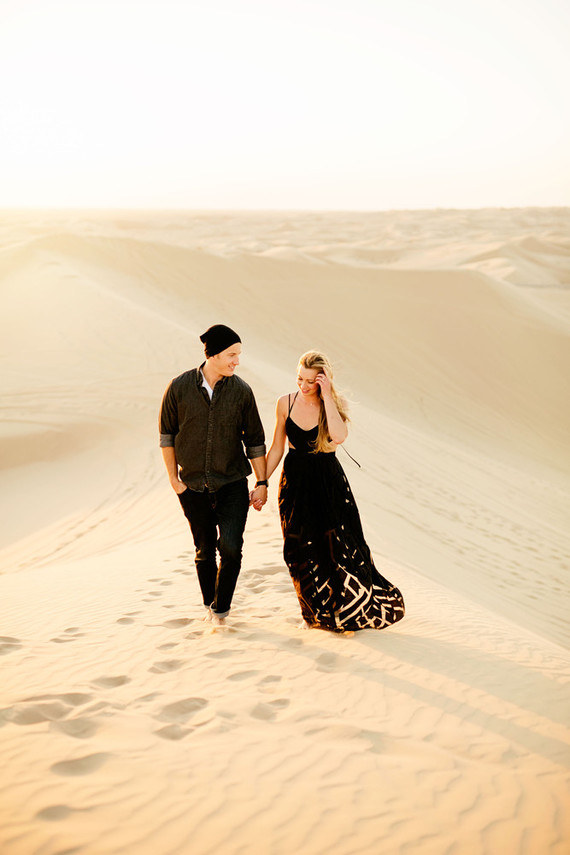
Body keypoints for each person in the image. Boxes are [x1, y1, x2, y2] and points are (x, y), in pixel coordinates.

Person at [264, 350, 405, 633]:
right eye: (299, 379)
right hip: (294, 483)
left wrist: (327, 396)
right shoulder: (284, 403)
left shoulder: (333, 405)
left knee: (335, 549)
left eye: (310, 381)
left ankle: (337, 610)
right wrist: (261, 483)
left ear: (323, 381)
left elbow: (339, 437)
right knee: (296, 549)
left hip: (328, 483)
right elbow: (277, 447)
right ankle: (310, 612)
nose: (302, 386)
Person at [159, 324, 268, 625]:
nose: (237, 361)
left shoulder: (242, 392)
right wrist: (174, 480)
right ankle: (211, 606)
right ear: (214, 355)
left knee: (231, 549)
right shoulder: (179, 387)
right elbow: (167, 434)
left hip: (232, 484)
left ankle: (221, 611)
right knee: (204, 551)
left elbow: (255, 441)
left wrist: (261, 482)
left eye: (238, 355)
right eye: (232, 355)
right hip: (192, 486)